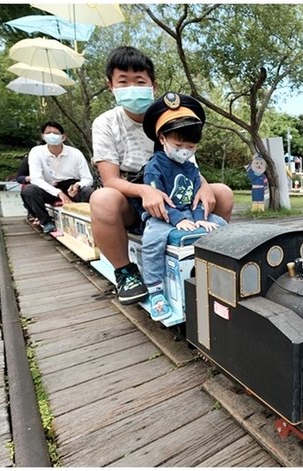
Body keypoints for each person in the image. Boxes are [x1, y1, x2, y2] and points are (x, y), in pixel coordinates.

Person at [89, 46, 233, 305]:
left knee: (222, 192)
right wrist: (146, 190)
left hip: (177, 195)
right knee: (102, 198)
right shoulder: (106, 123)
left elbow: (191, 169)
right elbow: (110, 180)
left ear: (152, 85)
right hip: (131, 200)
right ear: (110, 84)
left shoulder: (173, 119)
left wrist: (205, 186)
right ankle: (126, 273)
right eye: (123, 81)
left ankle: (211, 256)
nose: (132, 86)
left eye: (139, 81)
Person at [140, 92, 226, 321]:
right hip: (161, 216)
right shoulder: (154, 166)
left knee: (224, 226)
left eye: (191, 146)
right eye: (179, 144)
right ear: (162, 139)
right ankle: (156, 290)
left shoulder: (191, 167)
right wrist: (178, 220)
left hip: (189, 214)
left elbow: (198, 197)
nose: (185, 150)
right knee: (152, 241)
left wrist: (201, 218)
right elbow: (158, 199)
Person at [21, 120, 94, 234]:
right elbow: (36, 179)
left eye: (55, 133)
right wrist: (58, 193)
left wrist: (78, 185)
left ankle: (96, 220)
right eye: (48, 133)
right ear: (43, 136)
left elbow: (88, 178)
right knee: (29, 190)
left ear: (63, 137)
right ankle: (46, 222)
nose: (52, 136)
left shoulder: (75, 153)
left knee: (89, 192)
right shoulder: (36, 152)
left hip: (70, 187)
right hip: (48, 188)